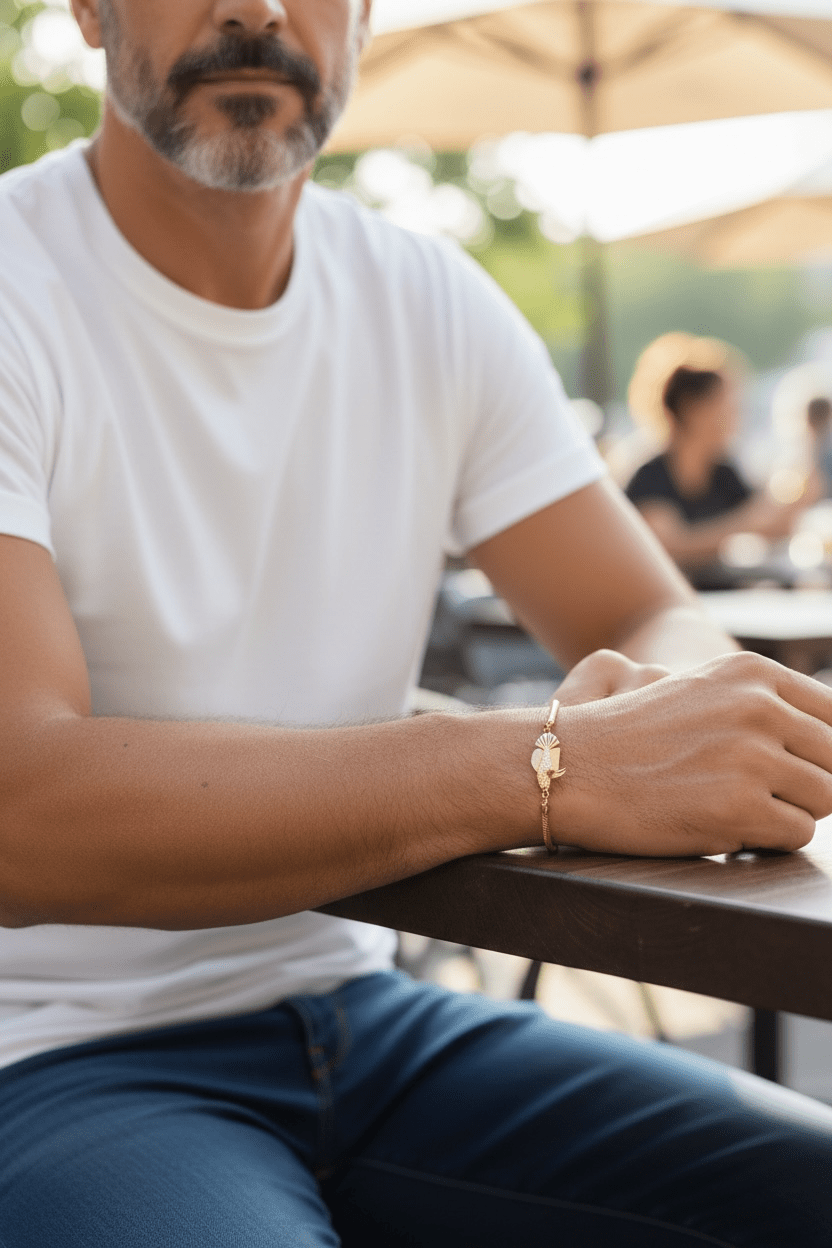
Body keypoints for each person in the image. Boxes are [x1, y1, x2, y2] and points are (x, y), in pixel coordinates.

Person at [0, 2, 831, 1245]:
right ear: (84, 7)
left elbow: (645, 607)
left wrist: (665, 707)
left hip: (370, 1015)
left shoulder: (425, 295)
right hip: (52, 1058)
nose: (257, 11)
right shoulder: (19, 283)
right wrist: (546, 768)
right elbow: (20, 809)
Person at [626, 357, 801, 587]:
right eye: (729, 406)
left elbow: (769, 526)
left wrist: (794, 501)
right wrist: (746, 522)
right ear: (692, 409)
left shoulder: (724, 473)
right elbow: (671, 545)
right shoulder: (650, 476)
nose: (737, 418)